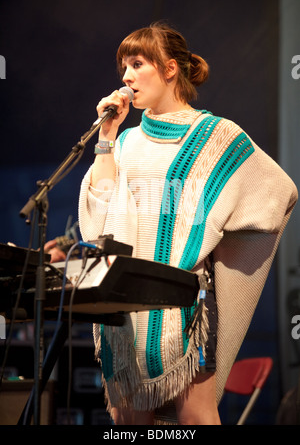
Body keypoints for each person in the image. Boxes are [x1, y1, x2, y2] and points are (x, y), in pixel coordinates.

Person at [78, 22, 298, 425]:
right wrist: (107, 137)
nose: (125, 77)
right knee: (129, 422)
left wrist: (214, 234)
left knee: (196, 418)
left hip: (187, 307)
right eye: (123, 67)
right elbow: (97, 218)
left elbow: (277, 192)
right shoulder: (125, 143)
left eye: (136, 63)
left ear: (170, 68)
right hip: (125, 310)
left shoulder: (216, 137)